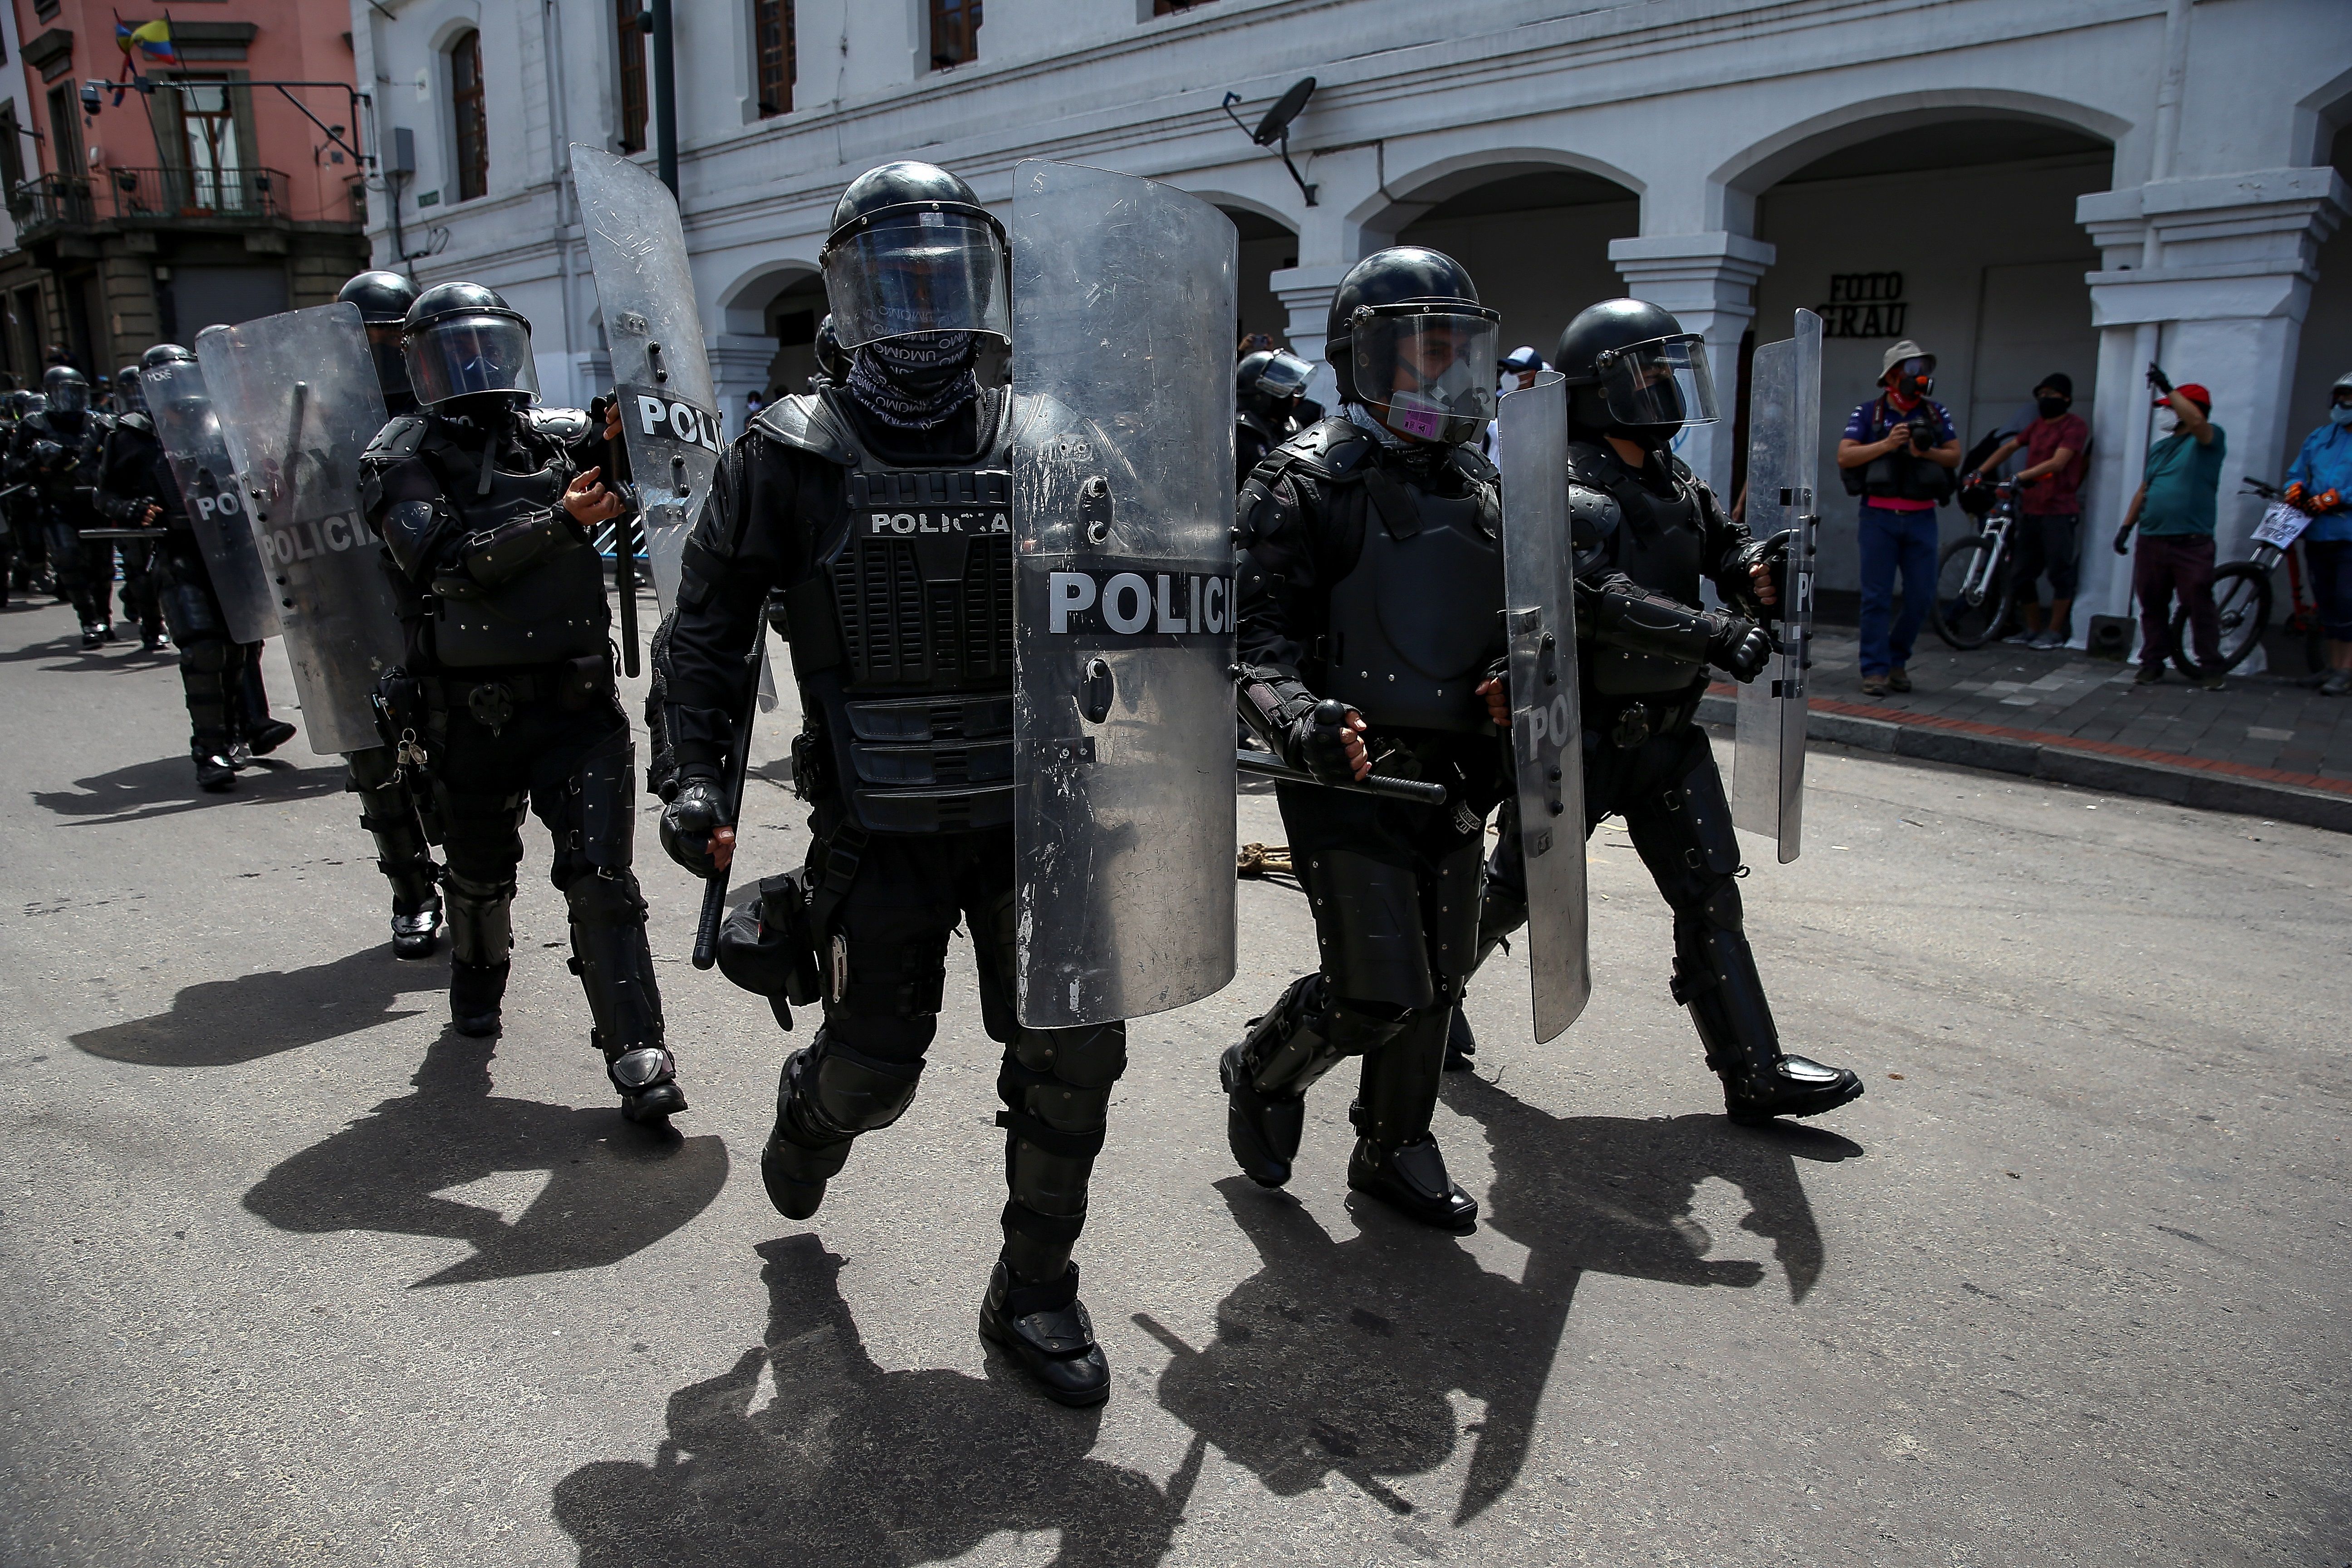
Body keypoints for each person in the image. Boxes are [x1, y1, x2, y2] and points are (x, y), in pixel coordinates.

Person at [656, 161, 1129, 1406]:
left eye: (948, 283)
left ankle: (1036, 1290)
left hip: (1042, 819)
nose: (927, 315)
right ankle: (811, 1111)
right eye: (898, 288)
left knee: (1074, 1056)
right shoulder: (790, 457)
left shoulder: (1049, 439)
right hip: (883, 823)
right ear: (850, 301)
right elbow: (708, 629)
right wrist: (693, 778)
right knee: (880, 1069)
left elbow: (1128, 612)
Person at [1459, 299, 1864, 1126]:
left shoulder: (1668, 475)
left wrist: (1754, 565)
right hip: (1583, 734)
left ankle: (1752, 1070)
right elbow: (1590, 600)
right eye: (1647, 373)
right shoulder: (1564, 485)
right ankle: (1422, 1003)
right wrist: (1711, 632)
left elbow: (1719, 540)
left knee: (1710, 892)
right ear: (1602, 388)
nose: (1663, 388)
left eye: (1665, 370)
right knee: (1514, 891)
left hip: (1667, 735)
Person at [1222, 246, 1510, 1234]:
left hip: (1461, 772)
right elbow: (1249, 646)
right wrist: (1299, 722)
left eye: (1452, 353)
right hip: (1347, 770)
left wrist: (1520, 690)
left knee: (1441, 972)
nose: (1438, 375)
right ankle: (1263, 1068)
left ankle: (1397, 1144)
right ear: (1361, 359)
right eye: (1416, 354)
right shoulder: (1302, 481)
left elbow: (1520, 625)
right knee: (1374, 988)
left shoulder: (1485, 485)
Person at [359, 279, 686, 1125]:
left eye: (487, 345)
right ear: (420, 364)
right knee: (476, 876)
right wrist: (563, 522)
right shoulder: (398, 457)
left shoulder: (556, 436)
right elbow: (448, 564)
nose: (476, 367)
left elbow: (642, 475)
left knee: (602, 880)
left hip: (577, 709)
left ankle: (636, 1051)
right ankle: (477, 979)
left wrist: (627, 435)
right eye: (452, 351)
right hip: (465, 715)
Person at [97, 344, 298, 789]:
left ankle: (246, 726)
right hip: (178, 553)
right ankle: (210, 750)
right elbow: (105, 496)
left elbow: (251, 477)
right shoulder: (131, 436)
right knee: (204, 651)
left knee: (244, 644)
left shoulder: (219, 427)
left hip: (231, 550)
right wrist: (135, 509)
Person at [335, 270, 448, 960]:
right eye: (368, 336)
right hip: (351, 609)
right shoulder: (315, 415)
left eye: (388, 335)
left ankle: (469, 890)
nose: (380, 349)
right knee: (374, 762)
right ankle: (412, 893)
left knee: (452, 763)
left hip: (430, 606)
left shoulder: (448, 407)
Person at [1837, 339, 1959, 696]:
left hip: (1922, 519)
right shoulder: (1869, 413)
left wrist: (1927, 452)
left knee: (1922, 596)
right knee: (1876, 597)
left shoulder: (1936, 414)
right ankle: (1875, 670)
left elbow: (1954, 456)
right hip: (1878, 517)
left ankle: (1897, 659)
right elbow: (1845, 456)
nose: (1919, 378)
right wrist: (1888, 444)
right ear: (1891, 377)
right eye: (1911, 371)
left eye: (1923, 371)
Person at [2114, 366, 2226, 689]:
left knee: (2198, 603)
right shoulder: (2160, 448)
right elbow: (2145, 488)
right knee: (2151, 603)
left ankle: (2211, 667)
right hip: (2152, 539)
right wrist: (2126, 526)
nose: (2165, 412)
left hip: (2190, 541)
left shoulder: (2209, 439)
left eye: (2170, 407)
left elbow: (2197, 424)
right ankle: (2152, 662)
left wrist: (2168, 386)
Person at [1973, 371, 2089, 649]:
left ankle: (2055, 631)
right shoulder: (2036, 427)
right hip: (2032, 509)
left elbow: (2059, 462)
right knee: (2021, 573)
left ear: (2067, 399)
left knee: (2060, 572)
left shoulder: (2074, 427)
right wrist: (1979, 472)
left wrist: (2020, 478)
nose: (2045, 400)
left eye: (2052, 395)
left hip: (2059, 511)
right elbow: (2011, 447)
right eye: (2042, 395)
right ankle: (2033, 629)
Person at [10, 366, 116, 645]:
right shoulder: (34, 425)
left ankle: (104, 617)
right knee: (68, 560)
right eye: (63, 394)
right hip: (57, 504)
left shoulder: (100, 422)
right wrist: (39, 460)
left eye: (75, 394)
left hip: (94, 503)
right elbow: (13, 469)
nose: (70, 401)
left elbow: (118, 460)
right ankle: (90, 621)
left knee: (102, 566)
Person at [2285, 372, 2352, 696]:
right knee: (2326, 601)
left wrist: (2339, 497)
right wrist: (2295, 489)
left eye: (2350, 399)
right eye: (2341, 397)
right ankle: (2332, 666)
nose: (2344, 404)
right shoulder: (2321, 436)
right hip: (2318, 533)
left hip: (2348, 533)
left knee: (2347, 600)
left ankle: (2347, 669)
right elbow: (2297, 472)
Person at [104, 363, 167, 651]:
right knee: (141, 575)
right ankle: (152, 625)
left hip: (197, 523)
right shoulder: (124, 434)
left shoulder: (210, 425)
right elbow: (104, 495)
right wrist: (129, 509)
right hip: (145, 521)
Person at [1234, 347, 1311, 483]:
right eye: (1282, 390)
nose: (1290, 397)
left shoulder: (1290, 429)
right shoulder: (1239, 435)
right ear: (1258, 395)